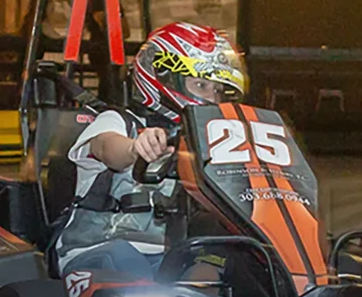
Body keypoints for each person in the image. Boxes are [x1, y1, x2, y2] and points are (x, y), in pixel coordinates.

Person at [55, 22, 247, 277]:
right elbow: (106, 148)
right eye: (201, 86)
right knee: (126, 261)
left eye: (219, 91)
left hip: (175, 255)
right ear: (164, 77)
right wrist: (135, 149)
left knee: (228, 272)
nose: (212, 99)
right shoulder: (119, 122)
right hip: (97, 251)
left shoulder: (216, 142)